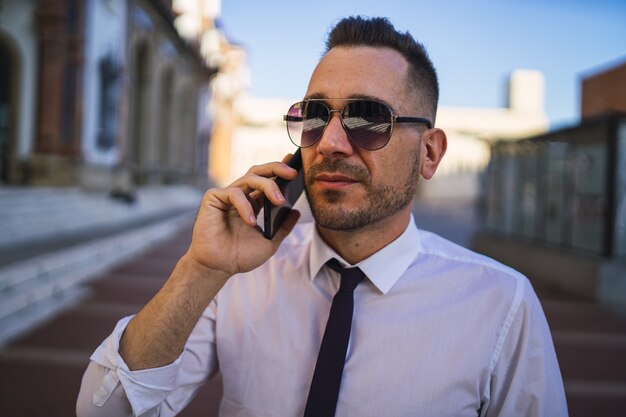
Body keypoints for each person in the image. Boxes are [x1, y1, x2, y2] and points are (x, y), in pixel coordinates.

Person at [76, 16, 568, 417]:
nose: (330, 143)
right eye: (314, 116)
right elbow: (106, 411)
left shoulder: (501, 305)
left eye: (367, 118)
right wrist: (200, 270)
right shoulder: (239, 277)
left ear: (430, 154)